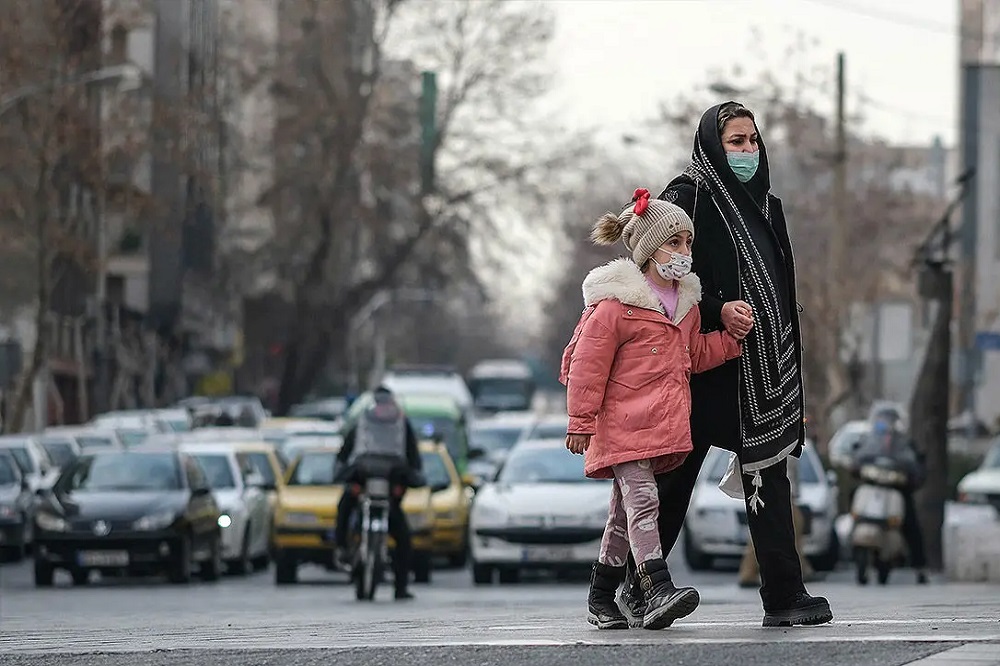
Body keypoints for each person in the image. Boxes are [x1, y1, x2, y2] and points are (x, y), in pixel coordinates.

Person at [618, 102, 834, 628]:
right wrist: (718, 309)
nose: (747, 151)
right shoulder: (688, 196)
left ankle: (784, 596)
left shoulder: (767, 206)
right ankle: (634, 588)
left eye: (752, 141)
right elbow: (662, 272)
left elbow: (780, 284)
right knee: (673, 482)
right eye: (735, 142)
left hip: (761, 371)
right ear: (714, 146)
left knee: (770, 480)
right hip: (701, 367)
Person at [560, 189, 744, 630]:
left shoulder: (687, 307)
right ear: (648, 250)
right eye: (673, 242)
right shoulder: (614, 307)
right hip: (621, 426)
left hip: (659, 427)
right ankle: (656, 587)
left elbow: (692, 355)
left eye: (687, 242)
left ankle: (601, 597)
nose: (683, 252)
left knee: (622, 517)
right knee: (644, 502)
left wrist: (729, 342)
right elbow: (587, 366)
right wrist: (580, 422)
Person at [334, 386, 424, 600]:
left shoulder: (402, 425)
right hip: (363, 482)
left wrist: (405, 482)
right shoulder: (362, 424)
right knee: (344, 507)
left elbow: (413, 457)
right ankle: (342, 548)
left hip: (390, 489)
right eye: (380, 404)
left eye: (386, 404)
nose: (383, 409)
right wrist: (347, 477)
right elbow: (345, 453)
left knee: (403, 539)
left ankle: (400, 587)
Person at [852, 410, 928, 584]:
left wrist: (913, 472)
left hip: (897, 487)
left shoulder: (902, 442)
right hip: (872, 483)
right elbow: (858, 456)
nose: (886, 425)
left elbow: (914, 462)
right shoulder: (871, 440)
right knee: (855, 500)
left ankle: (920, 566)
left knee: (910, 523)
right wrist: (856, 463)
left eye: (890, 421)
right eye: (882, 421)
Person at [737, 455, 818, 587]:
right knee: (786, 528)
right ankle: (799, 569)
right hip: (780, 493)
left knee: (783, 529)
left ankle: (801, 568)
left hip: (782, 493)